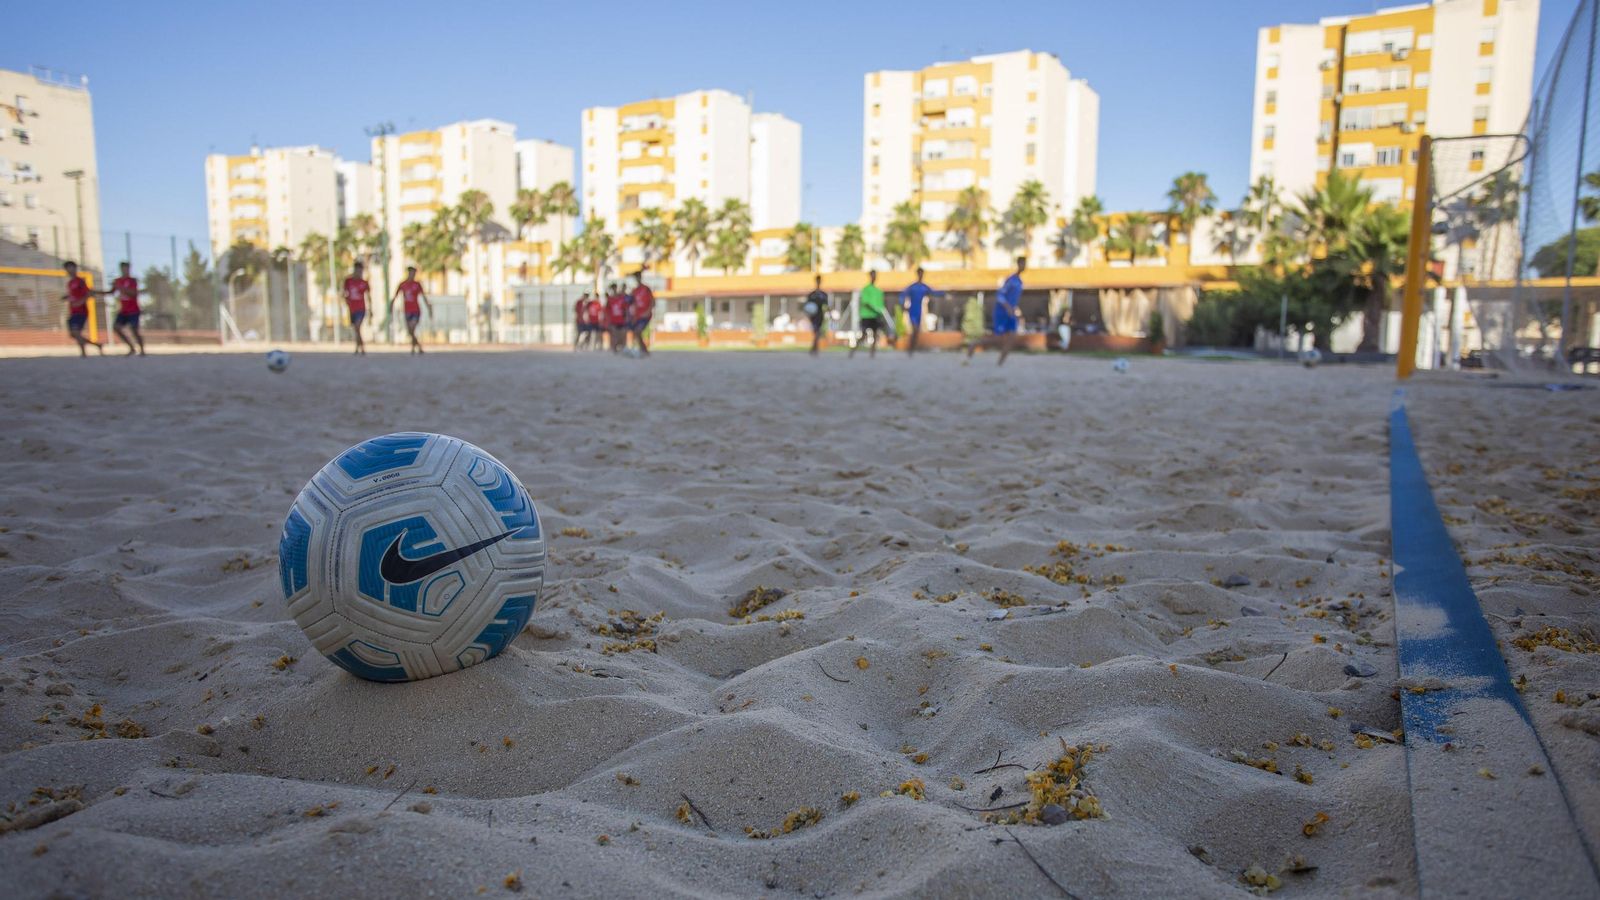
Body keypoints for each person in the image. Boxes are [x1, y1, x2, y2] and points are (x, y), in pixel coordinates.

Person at [966, 256, 1026, 367]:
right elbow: (1000, 295)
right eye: (1022, 263)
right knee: (997, 338)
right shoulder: (1011, 280)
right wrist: (1007, 306)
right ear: (1018, 264)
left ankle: (1000, 364)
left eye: (1025, 264)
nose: (1024, 266)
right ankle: (974, 344)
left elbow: (1014, 298)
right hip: (1002, 312)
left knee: (1012, 338)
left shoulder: (1020, 282)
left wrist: (1014, 309)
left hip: (1011, 312)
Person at [59, 261, 103, 357]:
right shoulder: (70, 283)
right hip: (73, 311)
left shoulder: (80, 281)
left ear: (75, 268)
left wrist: (80, 302)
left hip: (81, 311)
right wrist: (66, 297)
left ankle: (83, 353)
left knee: (76, 332)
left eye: (71, 267)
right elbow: (74, 295)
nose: (69, 270)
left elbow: (89, 293)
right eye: (67, 268)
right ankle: (97, 345)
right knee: (73, 334)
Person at [103, 261, 145, 356]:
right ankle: (131, 347)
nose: (125, 270)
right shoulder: (117, 281)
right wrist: (96, 292)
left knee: (134, 329)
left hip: (134, 310)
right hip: (123, 310)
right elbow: (111, 292)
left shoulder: (132, 280)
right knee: (116, 327)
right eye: (123, 268)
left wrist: (122, 288)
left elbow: (134, 293)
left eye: (126, 268)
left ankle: (142, 349)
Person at [900, 266, 945, 356]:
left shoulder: (924, 287)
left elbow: (933, 292)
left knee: (916, 332)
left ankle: (912, 349)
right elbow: (902, 295)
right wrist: (903, 306)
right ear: (917, 274)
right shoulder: (913, 287)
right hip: (912, 310)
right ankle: (910, 350)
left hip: (919, 311)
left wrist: (943, 293)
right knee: (915, 329)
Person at [389, 266, 432, 355]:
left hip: (416, 310)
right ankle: (415, 347)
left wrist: (429, 308)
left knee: (412, 328)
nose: (412, 275)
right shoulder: (403, 284)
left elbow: (424, 297)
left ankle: (418, 348)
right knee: (410, 331)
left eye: (414, 273)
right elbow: (396, 296)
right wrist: (391, 305)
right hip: (407, 310)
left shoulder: (417, 284)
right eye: (411, 273)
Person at [848, 270, 889, 360]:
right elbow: (865, 302)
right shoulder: (866, 289)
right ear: (870, 276)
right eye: (872, 275)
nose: (873, 277)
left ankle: (872, 354)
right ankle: (852, 352)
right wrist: (874, 308)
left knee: (875, 334)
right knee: (863, 335)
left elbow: (881, 306)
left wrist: (879, 313)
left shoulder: (879, 291)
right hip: (866, 315)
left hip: (875, 316)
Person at [343, 262, 372, 356]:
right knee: (356, 329)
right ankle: (358, 347)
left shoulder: (364, 283)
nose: (359, 272)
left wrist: (370, 309)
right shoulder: (348, 281)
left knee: (357, 326)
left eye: (360, 270)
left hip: (361, 308)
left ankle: (362, 348)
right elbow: (344, 293)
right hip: (352, 308)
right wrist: (346, 301)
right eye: (357, 270)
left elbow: (368, 296)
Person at [629, 270, 655, 357]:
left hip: (645, 315)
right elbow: (633, 304)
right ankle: (643, 350)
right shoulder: (634, 291)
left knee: (638, 331)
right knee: (636, 333)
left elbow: (652, 301)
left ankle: (644, 350)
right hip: (638, 316)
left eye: (638, 277)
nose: (637, 279)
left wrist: (648, 311)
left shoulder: (646, 289)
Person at [803, 274, 830, 356]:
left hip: (820, 315)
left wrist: (830, 313)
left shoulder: (824, 294)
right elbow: (807, 306)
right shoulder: (811, 294)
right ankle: (815, 349)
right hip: (813, 316)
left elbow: (826, 306)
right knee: (816, 332)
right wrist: (807, 314)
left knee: (817, 332)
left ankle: (814, 349)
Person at [605, 282, 630, 353]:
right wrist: (607, 320)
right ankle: (614, 349)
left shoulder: (621, 298)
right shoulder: (610, 299)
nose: (614, 290)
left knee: (622, 335)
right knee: (614, 335)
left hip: (621, 320)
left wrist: (626, 317)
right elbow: (607, 310)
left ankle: (623, 348)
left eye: (615, 288)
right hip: (613, 320)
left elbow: (625, 309)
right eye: (612, 289)